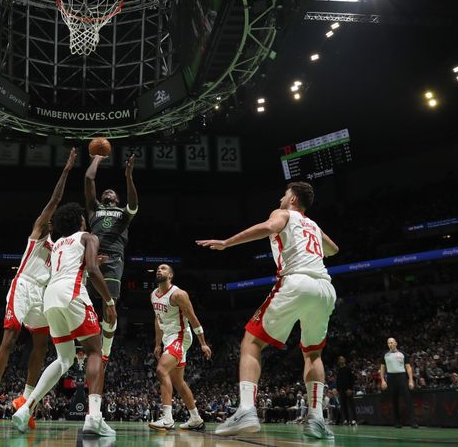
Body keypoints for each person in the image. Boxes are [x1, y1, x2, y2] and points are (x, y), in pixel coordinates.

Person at [197, 181, 339, 439]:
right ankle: (316, 419)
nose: (281, 198)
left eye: (285, 194)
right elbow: (333, 249)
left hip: (297, 281)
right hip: (325, 288)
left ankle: (247, 410)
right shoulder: (314, 225)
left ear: (293, 198)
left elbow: (268, 227)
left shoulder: (282, 214)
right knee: (313, 354)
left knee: (251, 342)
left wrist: (227, 242)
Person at [0, 148, 78, 428]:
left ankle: (25, 400)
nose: (49, 220)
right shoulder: (37, 233)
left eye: (53, 221)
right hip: (23, 286)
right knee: (10, 339)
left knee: (41, 344)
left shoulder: (61, 247)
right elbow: (56, 198)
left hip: (42, 294)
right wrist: (67, 169)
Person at [12, 203, 117, 437]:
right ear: (81, 220)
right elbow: (90, 267)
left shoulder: (58, 243)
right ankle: (94, 417)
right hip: (72, 293)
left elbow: (75, 268)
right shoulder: (89, 237)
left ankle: (26, 408)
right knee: (94, 352)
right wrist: (109, 302)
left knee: (64, 358)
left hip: (51, 296)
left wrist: (90, 269)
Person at [84, 153, 138, 368]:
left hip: (113, 260)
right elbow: (89, 180)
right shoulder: (94, 209)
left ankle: (105, 352)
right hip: (91, 259)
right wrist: (97, 158)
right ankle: (83, 345)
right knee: (82, 303)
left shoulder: (123, 213)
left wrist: (128, 176)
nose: (107, 192)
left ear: (116, 199)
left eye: (111, 192)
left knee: (110, 308)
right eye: (105, 191)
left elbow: (134, 203)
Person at [148, 264, 211, 431]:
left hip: (181, 336)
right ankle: (196, 419)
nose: (159, 270)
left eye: (163, 268)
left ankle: (167, 419)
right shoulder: (153, 295)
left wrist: (203, 343)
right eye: (158, 269)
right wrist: (157, 343)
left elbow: (193, 317)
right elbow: (157, 319)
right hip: (168, 338)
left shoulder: (178, 294)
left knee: (161, 370)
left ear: (170, 275)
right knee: (178, 381)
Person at [380, 337, 418, 428]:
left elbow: (408, 367)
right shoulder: (385, 355)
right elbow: (382, 368)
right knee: (394, 400)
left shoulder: (402, 354)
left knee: (407, 399)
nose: (390, 344)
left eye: (392, 342)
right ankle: (397, 422)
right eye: (388, 343)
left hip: (401, 377)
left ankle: (413, 422)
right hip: (390, 377)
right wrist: (383, 380)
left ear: (396, 343)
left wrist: (411, 380)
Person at [335, 355, 357, 425]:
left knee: (351, 405)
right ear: (338, 361)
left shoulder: (348, 369)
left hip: (348, 390)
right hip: (341, 390)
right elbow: (338, 381)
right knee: (343, 406)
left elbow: (351, 379)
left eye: (342, 359)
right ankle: (346, 420)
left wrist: (350, 389)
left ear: (345, 360)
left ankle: (354, 420)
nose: (341, 360)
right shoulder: (338, 370)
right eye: (340, 359)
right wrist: (338, 390)